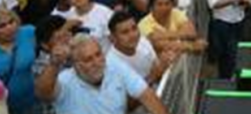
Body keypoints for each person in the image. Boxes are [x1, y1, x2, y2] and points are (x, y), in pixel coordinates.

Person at [34, 34, 169, 114]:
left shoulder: (114, 65)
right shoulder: (65, 80)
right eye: (88, 59)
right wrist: (54, 64)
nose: (96, 62)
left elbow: (146, 95)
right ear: (76, 64)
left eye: (98, 55)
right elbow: (42, 93)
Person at [107, 11, 176, 87]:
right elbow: (129, 95)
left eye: (134, 28)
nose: (133, 35)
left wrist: (165, 62)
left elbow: (157, 68)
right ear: (113, 37)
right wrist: (153, 75)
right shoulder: (111, 64)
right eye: (125, 32)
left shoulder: (142, 41)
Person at [138, 0, 205, 57]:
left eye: (167, 4)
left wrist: (162, 35)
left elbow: (192, 33)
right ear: (152, 7)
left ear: (172, 4)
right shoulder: (143, 24)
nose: (164, 8)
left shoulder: (175, 13)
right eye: (159, 4)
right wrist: (191, 46)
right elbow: (157, 44)